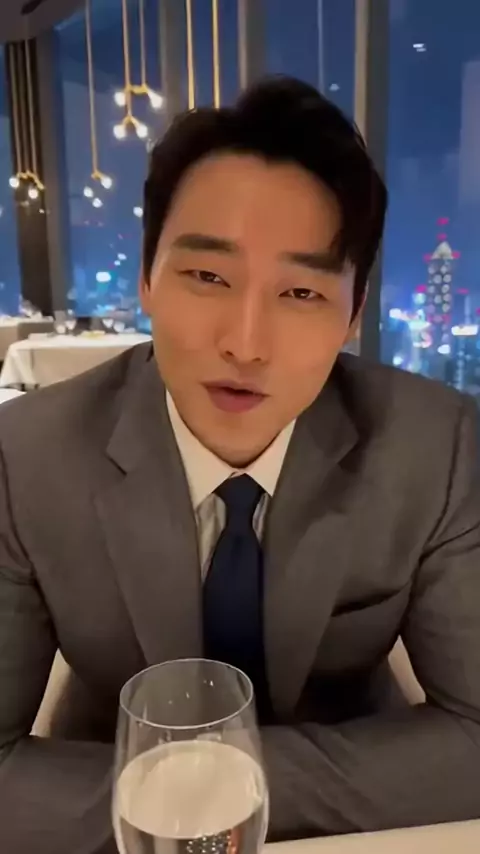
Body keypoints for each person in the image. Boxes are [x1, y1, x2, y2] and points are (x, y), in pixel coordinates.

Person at [1, 77, 480, 854]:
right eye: (208, 277)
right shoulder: (25, 456)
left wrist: (206, 786)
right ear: (147, 277)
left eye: (301, 292)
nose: (246, 344)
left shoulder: (438, 446)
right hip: (117, 807)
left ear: (354, 313)